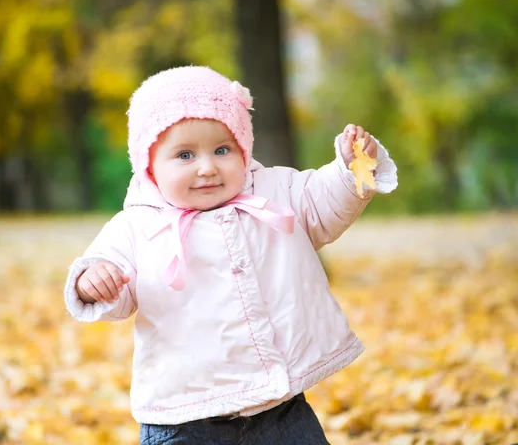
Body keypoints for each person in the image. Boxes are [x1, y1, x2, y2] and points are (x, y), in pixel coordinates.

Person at [64, 66, 398, 444]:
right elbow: (116, 291)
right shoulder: (136, 226)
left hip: (279, 408)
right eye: (185, 154)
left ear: (243, 148)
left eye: (222, 150)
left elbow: (322, 206)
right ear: (149, 166)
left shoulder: (274, 190)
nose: (207, 167)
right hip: (184, 416)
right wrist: (94, 282)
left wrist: (350, 169)